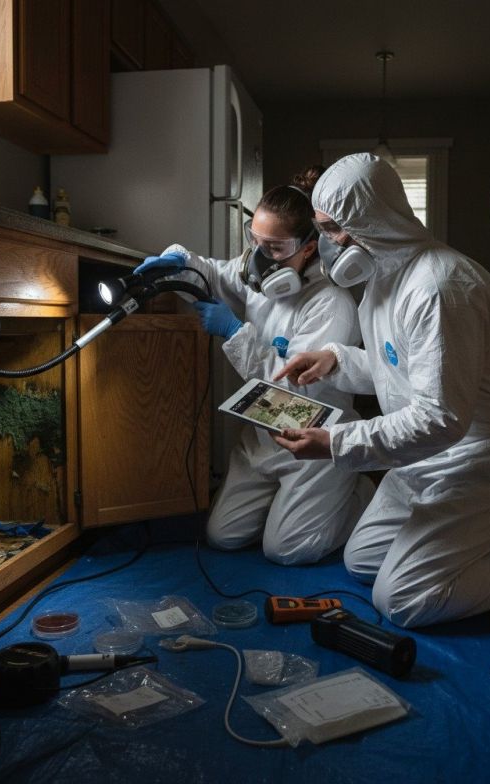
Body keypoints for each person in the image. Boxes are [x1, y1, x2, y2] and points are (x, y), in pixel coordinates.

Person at [271, 152, 490, 629]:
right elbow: (401, 369)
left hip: (488, 457)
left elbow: (439, 416)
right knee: (362, 562)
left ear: (372, 221)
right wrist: (336, 361)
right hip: (430, 454)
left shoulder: (439, 287)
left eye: (333, 229)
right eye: (322, 230)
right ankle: (486, 536)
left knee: (403, 599)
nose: (327, 244)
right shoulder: (384, 277)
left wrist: (335, 443)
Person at [132, 167, 373, 565]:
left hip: (314, 437)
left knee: (287, 550)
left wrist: (234, 333)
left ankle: (357, 490)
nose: (261, 256)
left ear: (309, 246)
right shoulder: (257, 277)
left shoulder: (331, 303)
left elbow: (296, 389)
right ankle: (294, 506)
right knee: (222, 536)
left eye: (275, 248)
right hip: (263, 435)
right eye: (255, 241)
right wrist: (178, 261)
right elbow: (211, 271)